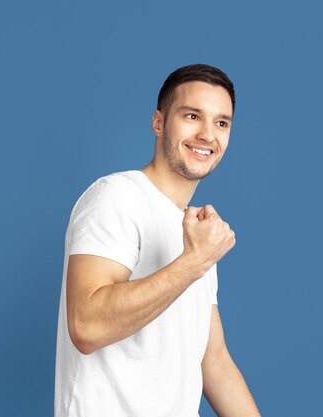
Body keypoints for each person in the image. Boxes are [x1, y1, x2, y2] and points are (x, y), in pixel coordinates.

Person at [54, 64, 261, 417]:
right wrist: (194, 262)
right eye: (192, 116)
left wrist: (198, 258)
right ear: (159, 123)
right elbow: (86, 326)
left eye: (221, 123)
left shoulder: (196, 231)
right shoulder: (116, 196)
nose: (208, 135)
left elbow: (213, 360)